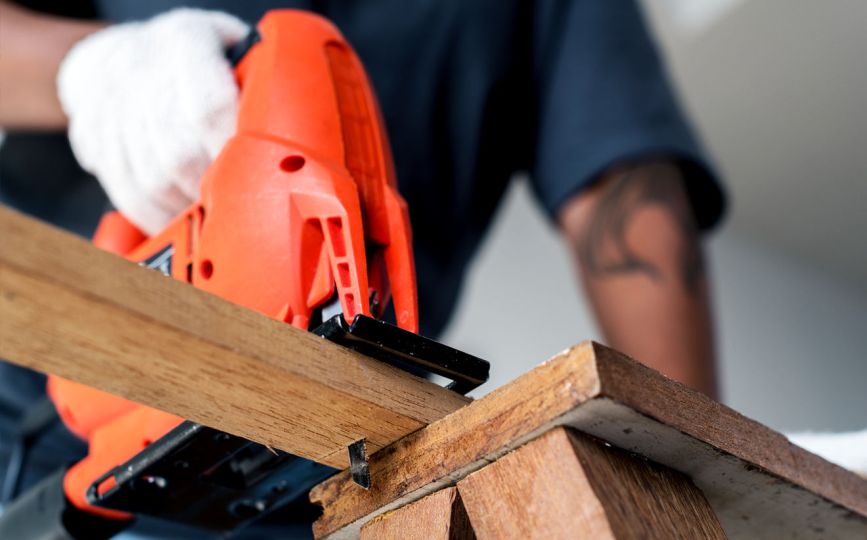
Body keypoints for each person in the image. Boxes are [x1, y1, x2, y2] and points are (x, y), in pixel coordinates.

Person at [0, 0, 726, 535]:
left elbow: (630, 203)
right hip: (35, 399)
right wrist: (89, 67)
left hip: (331, 460)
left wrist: (686, 471)